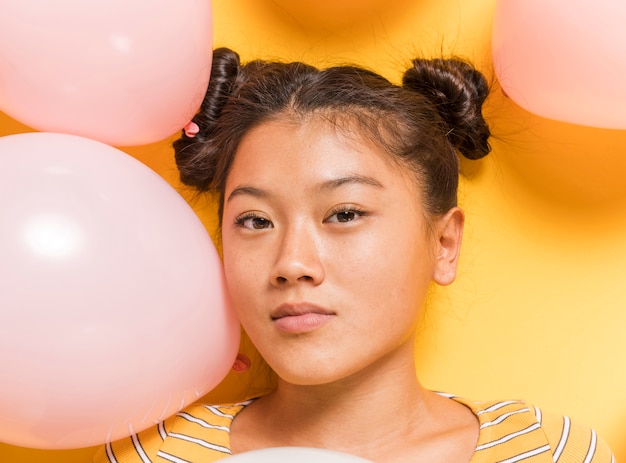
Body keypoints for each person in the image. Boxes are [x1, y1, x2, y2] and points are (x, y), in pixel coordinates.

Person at [93, 48, 615, 463]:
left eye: (344, 214)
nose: (292, 263)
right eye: (255, 221)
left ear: (444, 244)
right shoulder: (159, 454)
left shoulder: (551, 452)